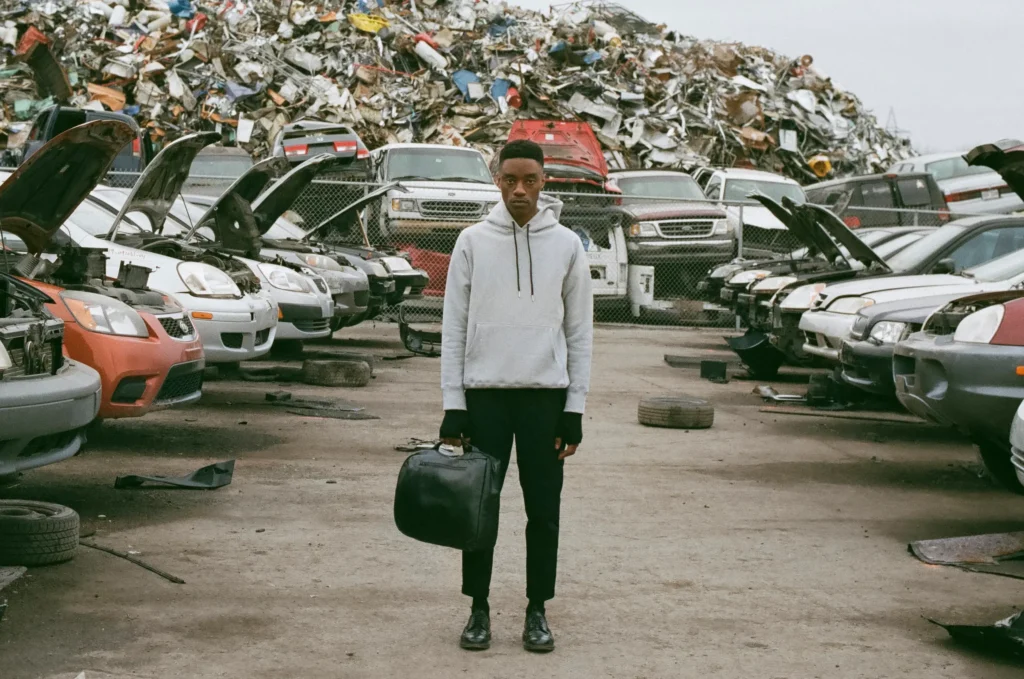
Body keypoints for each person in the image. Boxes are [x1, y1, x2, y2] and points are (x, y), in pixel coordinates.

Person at [438, 139, 594, 653]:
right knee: (478, 510)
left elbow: (579, 334)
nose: (520, 190)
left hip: (544, 400)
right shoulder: (471, 242)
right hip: (485, 399)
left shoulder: (567, 245)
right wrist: (452, 404)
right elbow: (454, 328)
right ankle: (478, 609)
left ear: (545, 181)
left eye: (530, 180)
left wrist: (574, 410)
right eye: (510, 180)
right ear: (497, 181)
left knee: (543, 511)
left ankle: (536, 611)